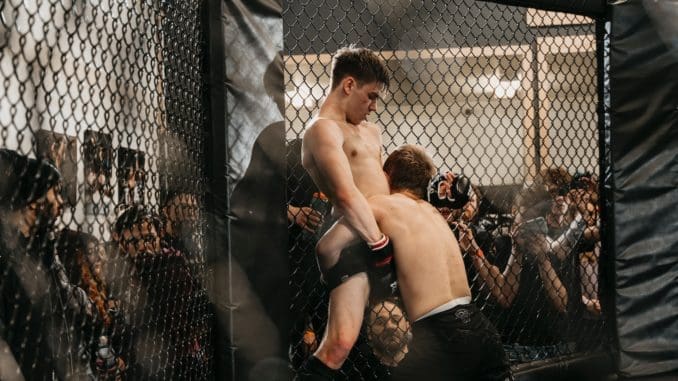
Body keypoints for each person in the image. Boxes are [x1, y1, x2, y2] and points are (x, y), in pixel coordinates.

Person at [366, 144, 511, 380]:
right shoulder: (434, 214)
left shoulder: (383, 205)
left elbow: (345, 213)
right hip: (479, 324)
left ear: (387, 174)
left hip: (437, 332)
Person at [297, 46, 393, 379]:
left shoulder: (371, 132)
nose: (373, 107)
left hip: (385, 232)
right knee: (339, 344)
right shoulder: (322, 130)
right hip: (359, 241)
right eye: (371, 96)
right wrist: (381, 245)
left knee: (402, 341)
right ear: (349, 85)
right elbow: (345, 194)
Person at [0, 149, 94, 379]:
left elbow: (61, 298)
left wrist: (78, 296)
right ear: (34, 200)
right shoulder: (7, 258)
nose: (62, 201)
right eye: (56, 193)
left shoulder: (45, 248)